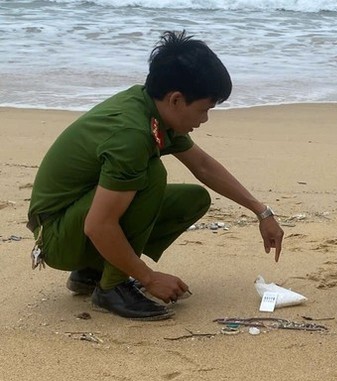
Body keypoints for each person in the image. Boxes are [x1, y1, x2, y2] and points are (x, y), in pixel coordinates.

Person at [27, 31, 284, 321]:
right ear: (176, 100)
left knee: (194, 198)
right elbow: (98, 225)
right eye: (204, 109)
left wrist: (261, 212)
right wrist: (149, 278)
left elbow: (203, 166)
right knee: (151, 175)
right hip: (56, 237)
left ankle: (93, 271)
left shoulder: (152, 108)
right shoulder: (132, 135)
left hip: (71, 223)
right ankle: (111, 287)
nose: (205, 119)